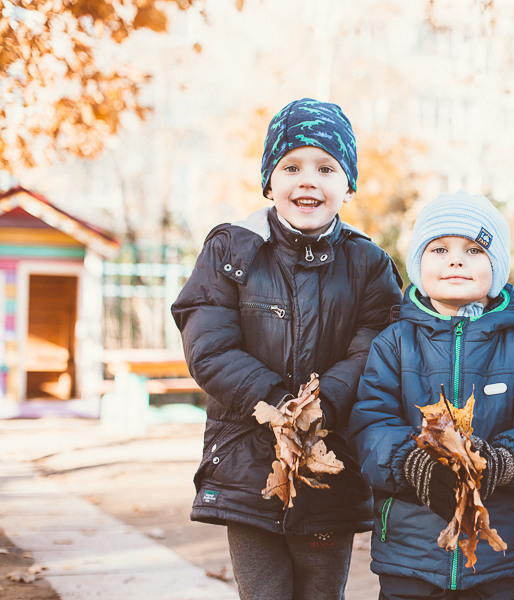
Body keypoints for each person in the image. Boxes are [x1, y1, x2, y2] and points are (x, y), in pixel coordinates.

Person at [171, 98, 403, 600]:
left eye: (326, 168)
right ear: (269, 180)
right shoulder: (232, 251)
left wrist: (325, 404)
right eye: (291, 166)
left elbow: (376, 347)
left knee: (321, 591)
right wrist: (277, 402)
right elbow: (208, 343)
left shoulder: (368, 264)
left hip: (330, 460)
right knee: (264, 591)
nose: (307, 180)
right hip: (248, 462)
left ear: (348, 184)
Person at [347, 190, 514, 600]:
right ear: (418, 262)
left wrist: (499, 461)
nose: (455, 259)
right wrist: (413, 463)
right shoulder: (394, 343)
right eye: (440, 248)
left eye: (474, 249)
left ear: (496, 266)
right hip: (412, 554)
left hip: (499, 556)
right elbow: (370, 425)